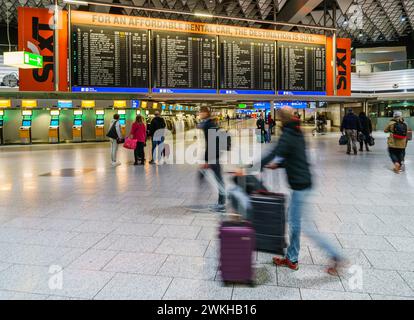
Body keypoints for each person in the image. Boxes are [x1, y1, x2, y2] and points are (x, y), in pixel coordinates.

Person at [253, 107, 344, 274]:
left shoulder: (288, 135)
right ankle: (292, 258)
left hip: (300, 186)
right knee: (294, 223)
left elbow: (273, 153)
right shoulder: (297, 131)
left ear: (281, 119)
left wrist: (247, 168)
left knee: (302, 227)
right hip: (302, 183)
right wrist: (278, 165)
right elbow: (292, 156)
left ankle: (336, 255)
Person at [198, 106, 225, 213]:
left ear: (205, 113)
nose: (199, 114)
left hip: (213, 156)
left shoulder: (209, 125)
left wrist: (207, 160)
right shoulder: (209, 124)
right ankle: (221, 202)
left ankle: (221, 204)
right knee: (218, 179)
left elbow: (211, 143)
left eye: (201, 112)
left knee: (219, 180)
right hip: (214, 155)